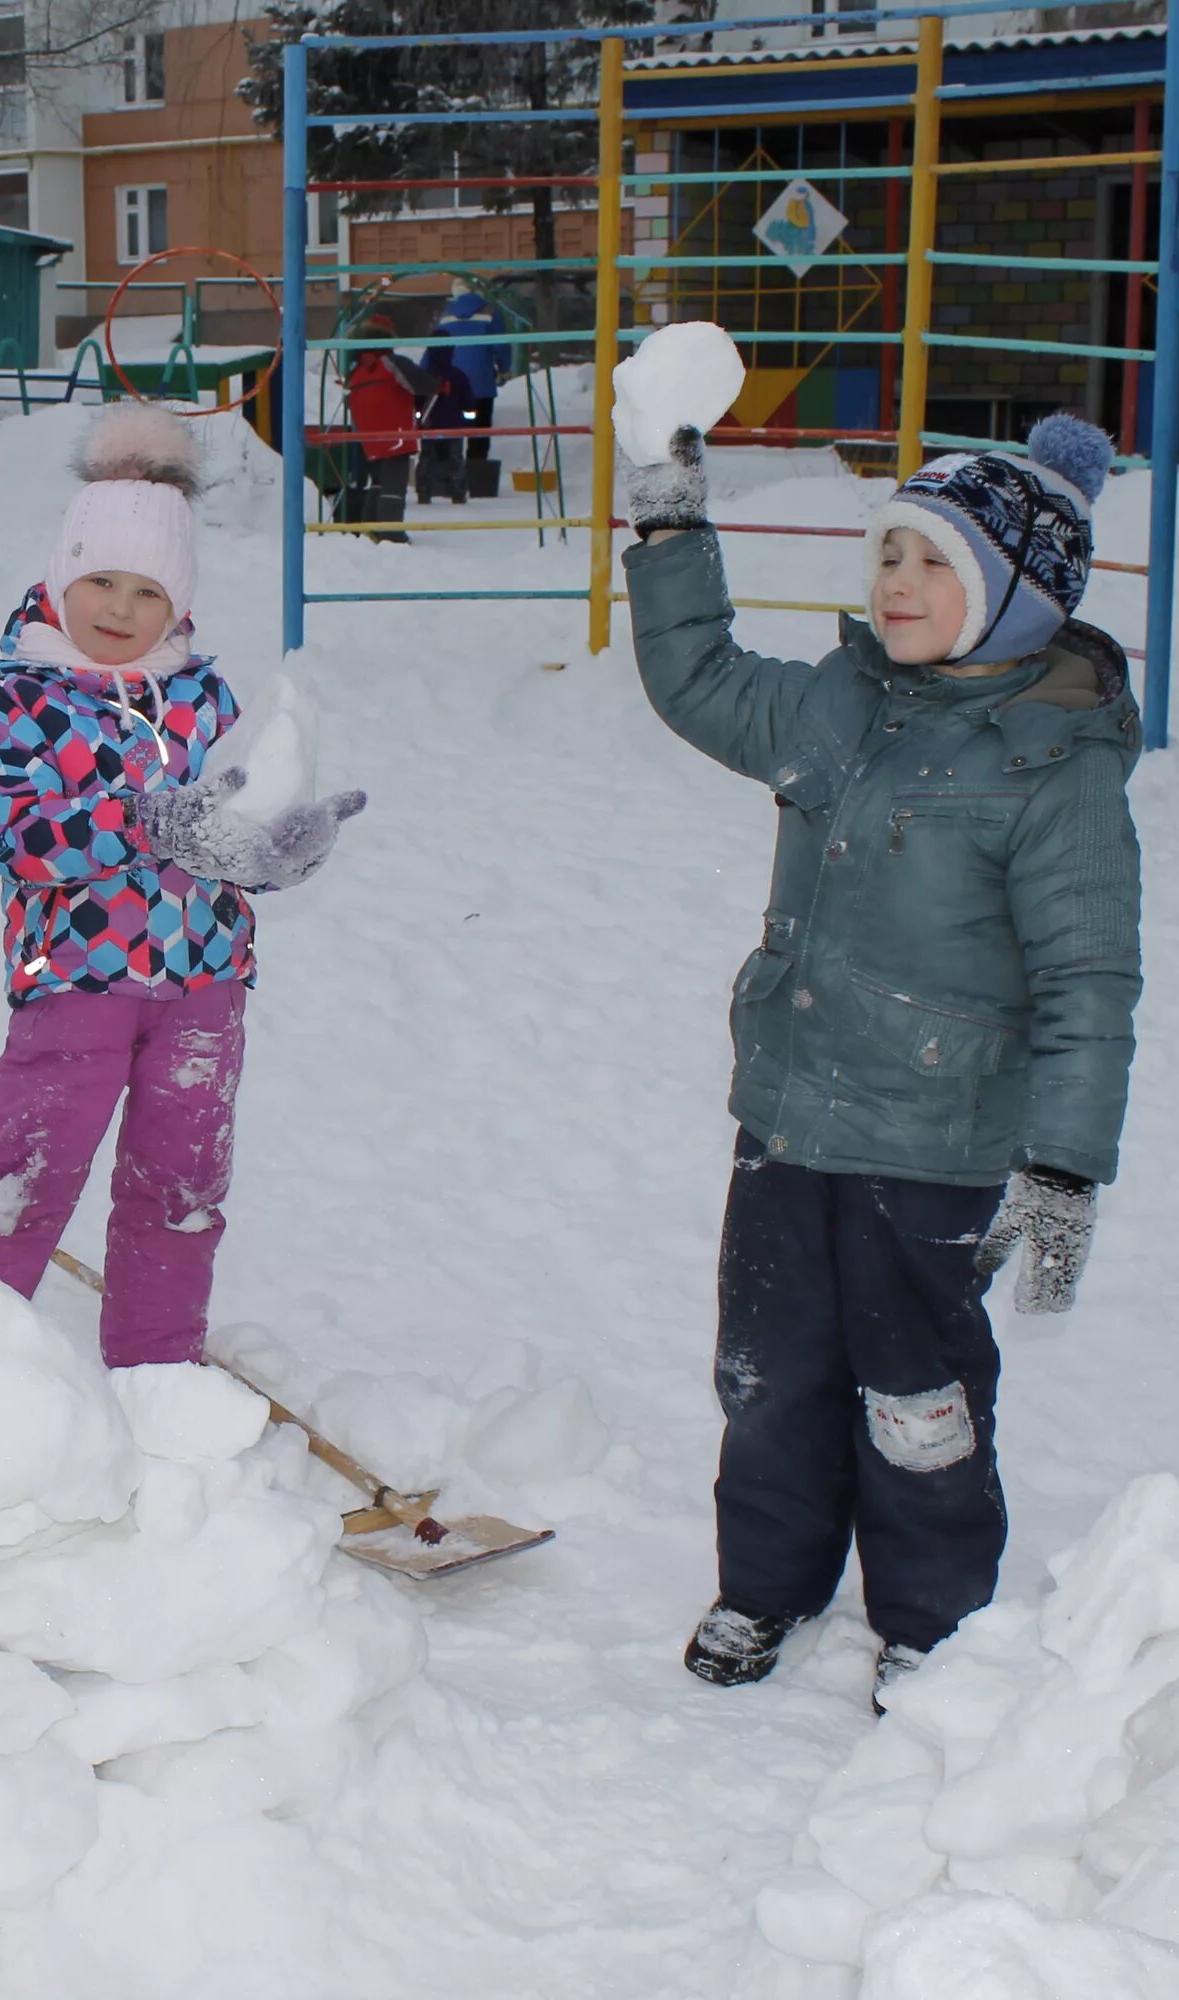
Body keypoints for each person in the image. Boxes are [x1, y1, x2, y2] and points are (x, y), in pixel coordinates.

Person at [620, 412, 1142, 1708]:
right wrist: (672, 519)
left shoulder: (1053, 768)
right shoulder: (839, 704)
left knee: (919, 1401)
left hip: (936, 1149)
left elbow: (1090, 980)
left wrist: (1066, 1161)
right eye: (889, 557)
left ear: (1018, 596)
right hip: (790, 1123)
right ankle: (768, 1584)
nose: (895, 586)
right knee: (770, 1377)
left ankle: (930, 1617)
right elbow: (699, 682)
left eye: (934, 563)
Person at [0, 407, 366, 1367]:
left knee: (182, 1187)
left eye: (146, 590)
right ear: (61, 577)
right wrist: (143, 821)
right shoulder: (25, 698)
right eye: (100, 581)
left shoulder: (206, 698)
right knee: (27, 1174)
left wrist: (276, 848)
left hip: (204, 985)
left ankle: (158, 1368)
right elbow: (16, 835)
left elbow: (236, 825)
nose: (120, 609)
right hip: (75, 979)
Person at [338, 311, 432, 541]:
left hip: (369, 436)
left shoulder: (357, 369)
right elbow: (419, 383)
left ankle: (370, 526)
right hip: (395, 433)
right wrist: (441, 385)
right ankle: (391, 531)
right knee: (394, 484)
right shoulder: (391, 363)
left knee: (378, 482)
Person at [417, 290, 506, 505]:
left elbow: (432, 350)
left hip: (437, 386)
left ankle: (431, 484)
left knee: (433, 444)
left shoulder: (446, 315)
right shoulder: (491, 313)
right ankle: (475, 480)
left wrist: (424, 378)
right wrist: (504, 367)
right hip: (481, 382)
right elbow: (503, 345)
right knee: (478, 432)